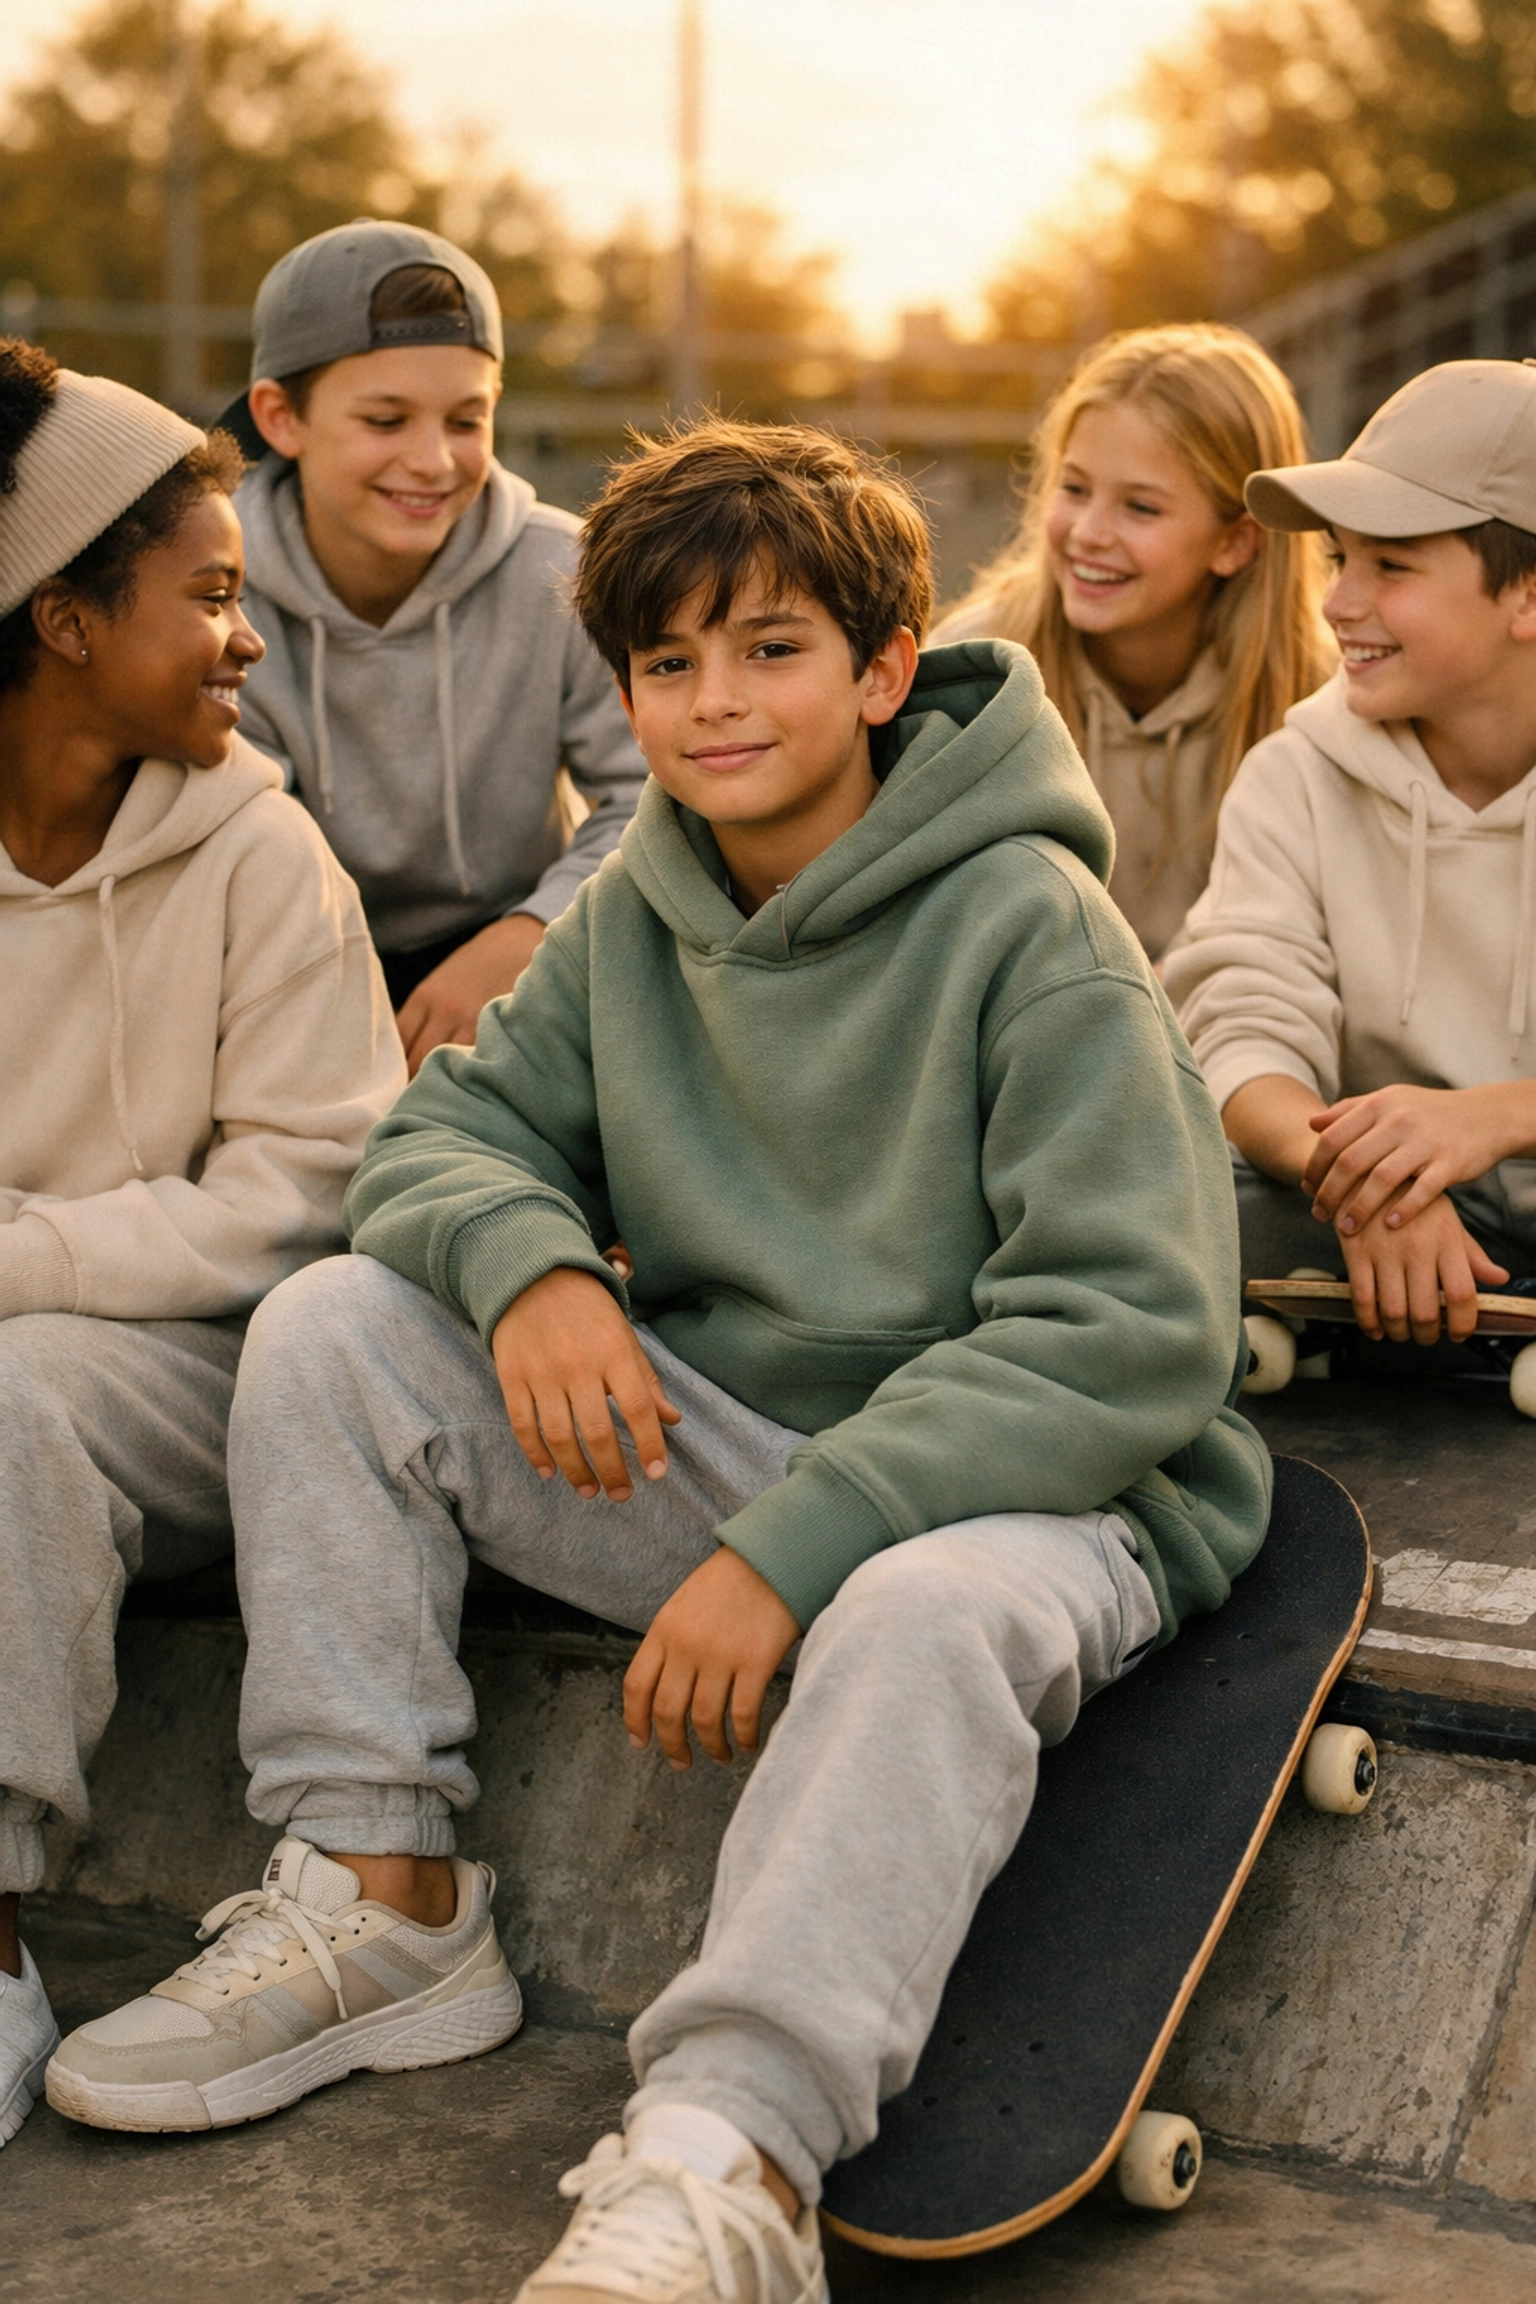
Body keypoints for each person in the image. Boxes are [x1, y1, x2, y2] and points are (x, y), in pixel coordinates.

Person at [51, 421, 1267, 2304]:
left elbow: (1131, 1327)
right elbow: (431, 1142)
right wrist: (535, 1270)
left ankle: (732, 2153)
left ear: (880, 668)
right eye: (666, 663)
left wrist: (795, 1548)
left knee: (917, 1608)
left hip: (1040, 1498)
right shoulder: (637, 906)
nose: (714, 702)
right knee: (342, 1325)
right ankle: (380, 1895)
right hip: (742, 1452)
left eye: (772, 647)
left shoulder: (1035, 928)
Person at [0, 341, 405, 2148]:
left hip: (216, 1370)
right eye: (210, 596)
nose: (248, 637)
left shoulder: (263, 853)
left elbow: (312, 1194)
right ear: (65, 621)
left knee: (6, 1396)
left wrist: (24, 1256)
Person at [1165, 359, 1536, 1348]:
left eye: (1392, 566)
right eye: (1340, 560)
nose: (1337, 602)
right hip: (1384, 1215)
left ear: (1528, 595)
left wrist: (1493, 1117)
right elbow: (1241, 1024)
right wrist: (1371, 1185)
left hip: (1479, 1177)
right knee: (1161, 1208)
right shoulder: (1295, 774)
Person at [222, 219, 647, 1074]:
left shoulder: (563, 570)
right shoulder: (214, 591)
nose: (433, 460)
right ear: (280, 417)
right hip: (287, 963)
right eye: (386, 420)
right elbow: (220, 843)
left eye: (467, 420)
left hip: (520, 947)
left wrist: (532, 933)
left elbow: (653, 791)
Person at [936, 324, 1333, 960]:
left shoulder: (1322, 699)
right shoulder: (975, 672)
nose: (1089, 532)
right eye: (1074, 489)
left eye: (1140, 508)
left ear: (1235, 542)